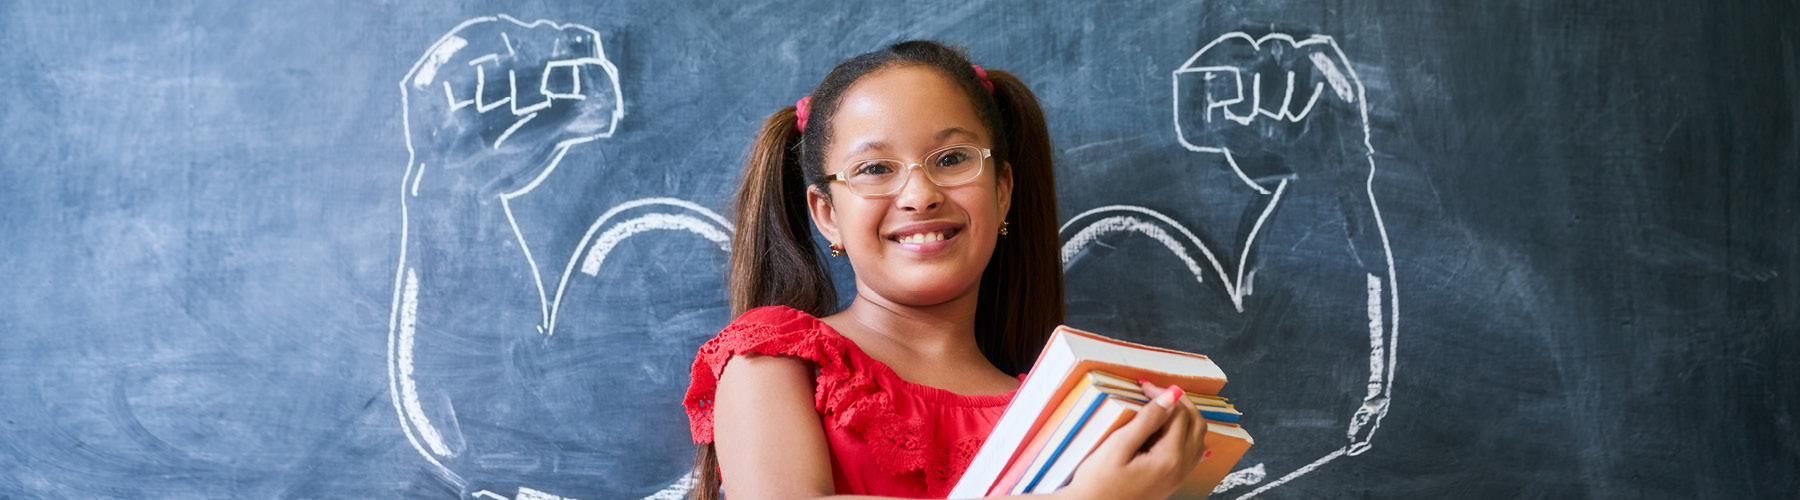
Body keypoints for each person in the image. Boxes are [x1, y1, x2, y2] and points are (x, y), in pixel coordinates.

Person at [684, 40, 1209, 500]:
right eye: (874, 169)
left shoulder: (1058, 415)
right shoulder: (777, 358)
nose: (919, 195)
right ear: (827, 214)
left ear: (1002, 191)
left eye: (953, 158)